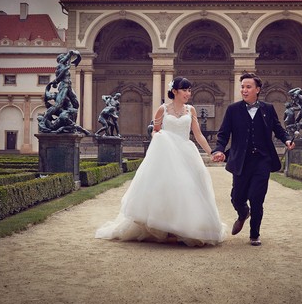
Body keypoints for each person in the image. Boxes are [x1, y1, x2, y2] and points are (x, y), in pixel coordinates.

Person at [96, 77, 226, 246]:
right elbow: (155, 131)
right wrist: (159, 137)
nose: (188, 93)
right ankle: (166, 228)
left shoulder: (191, 110)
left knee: (189, 187)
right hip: (167, 153)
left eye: (189, 90)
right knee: (168, 188)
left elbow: (198, 134)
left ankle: (184, 227)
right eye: (185, 90)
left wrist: (211, 152)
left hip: (186, 152)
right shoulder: (162, 109)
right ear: (175, 92)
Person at [211, 72, 295, 246]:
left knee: (257, 198)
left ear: (257, 89)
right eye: (242, 87)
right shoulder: (233, 110)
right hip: (241, 160)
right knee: (237, 197)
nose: (244, 90)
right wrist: (219, 150)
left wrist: (286, 139)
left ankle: (254, 234)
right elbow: (223, 134)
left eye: (248, 87)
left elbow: (278, 128)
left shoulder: (268, 109)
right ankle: (243, 214)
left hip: (262, 160)